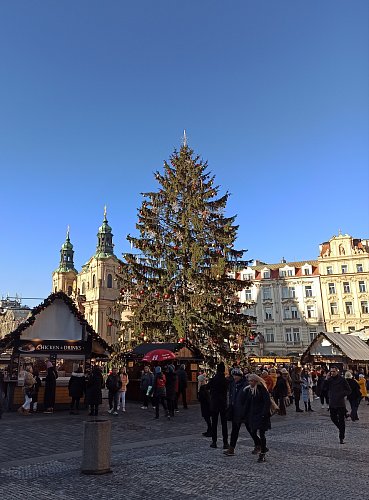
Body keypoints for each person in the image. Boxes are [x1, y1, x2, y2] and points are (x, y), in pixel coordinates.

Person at [244, 374, 271, 463]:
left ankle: (262, 453)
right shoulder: (249, 390)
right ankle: (262, 446)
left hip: (262, 415)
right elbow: (248, 403)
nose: (250, 382)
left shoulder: (261, 389)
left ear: (256, 381)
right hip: (253, 414)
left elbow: (267, 402)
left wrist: (264, 414)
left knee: (262, 434)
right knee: (252, 431)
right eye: (249, 381)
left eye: (251, 381)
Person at [224, 368, 248, 456]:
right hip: (235, 411)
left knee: (251, 429)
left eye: (236, 376)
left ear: (240, 376)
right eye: (233, 376)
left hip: (244, 411)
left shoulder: (245, 385)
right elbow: (231, 396)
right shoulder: (233, 384)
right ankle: (231, 449)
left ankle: (258, 444)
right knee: (234, 430)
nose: (234, 377)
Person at [326, 366, 351, 444]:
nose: (332, 373)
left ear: (337, 371)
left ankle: (341, 437)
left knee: (341, 420)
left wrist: (341, 394)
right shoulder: (329, 380)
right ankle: (341, 429)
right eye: (331, 371)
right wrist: (326, 379)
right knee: (333, 418)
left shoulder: (342, 380)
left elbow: (349, 390)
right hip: (332, 402)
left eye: (333, 371)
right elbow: (323, 388)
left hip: (340, 403)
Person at [207, 362, 229, 450]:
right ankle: (225, 443)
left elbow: (207, 387)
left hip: (214, 403)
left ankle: (214, 442)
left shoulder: (213, 379)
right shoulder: (226, 380)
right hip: (223, 403)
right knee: (224, 424)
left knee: (214, 424)